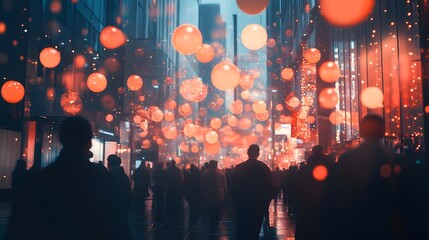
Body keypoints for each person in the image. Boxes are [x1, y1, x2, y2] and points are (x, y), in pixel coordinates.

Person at [6, 116, 122, 240]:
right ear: (89, 142)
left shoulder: (39, 180)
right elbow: (117, 223)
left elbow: (18, 228)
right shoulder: (102, 178)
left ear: (61, 139)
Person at [328, 114, 396, 239]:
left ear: (362, 132)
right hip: (382, 224)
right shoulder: (393, 160)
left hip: (353, 223)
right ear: (382, 132)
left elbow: (335, 194)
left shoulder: (346, 159)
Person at [232, 144, 274, 240]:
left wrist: (235, 203)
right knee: (254, 232)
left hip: (242, 205)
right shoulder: (264, 168)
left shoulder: (239, 168)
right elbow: (270, 189)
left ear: (248, 153)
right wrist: (265, 206)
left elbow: (233, 188)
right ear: (258, 154)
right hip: (257, 205)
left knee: (241, 232)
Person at [295, 145, 333, 240]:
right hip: (326, 204)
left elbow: (299, 187)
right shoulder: (331, 167)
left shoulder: (304, 169)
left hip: (307, 205)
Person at [107, 154, 132, 239]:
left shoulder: (111, 175)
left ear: (110, 163)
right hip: (123, 206)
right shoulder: (124, 175)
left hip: (114, 207)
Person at [200, 160, 227, 232]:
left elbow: (202, 186)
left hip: (208, 196)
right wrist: (224, 197)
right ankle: (216, 225)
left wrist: (204, 196)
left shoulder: (205, 174)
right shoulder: (221, 174)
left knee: (210, 212)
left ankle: (212, 225)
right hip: (218, 196)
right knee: (217, 212)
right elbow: (225, 187)